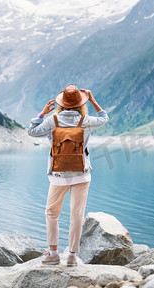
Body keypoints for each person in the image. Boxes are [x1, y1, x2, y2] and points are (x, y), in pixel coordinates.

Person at [27, 84, 109, 267]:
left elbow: (31, 132)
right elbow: (104, 118)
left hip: (58, 175)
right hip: (82, 174)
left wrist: (41, 114)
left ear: (61, 104)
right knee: (77, 215)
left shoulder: (52, 120)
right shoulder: (86, 120)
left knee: (51, 213)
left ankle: (53, 254)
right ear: (81, 103)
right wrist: (94, 100)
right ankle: (72, 256)